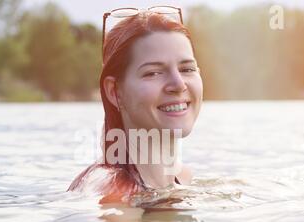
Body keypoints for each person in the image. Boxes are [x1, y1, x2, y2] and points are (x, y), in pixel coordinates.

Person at [68, 6, 203, 204]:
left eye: (187, 69)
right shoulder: (110, 188)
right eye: (153, 73)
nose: (179, 84)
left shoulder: (184, 177)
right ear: (115, 92)